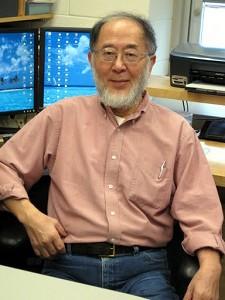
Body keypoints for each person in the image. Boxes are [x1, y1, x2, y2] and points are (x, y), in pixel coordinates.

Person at [0, 11, 224, 300]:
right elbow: (4, 165)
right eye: (108, 53)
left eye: (131, 54)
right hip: (68, 264)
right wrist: (31, 217)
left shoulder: (176, 132)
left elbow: (200, 211)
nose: (118, 66)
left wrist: (210, 267)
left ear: (150, 63)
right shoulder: (61, 117)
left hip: (143, 270)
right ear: (92, 61)